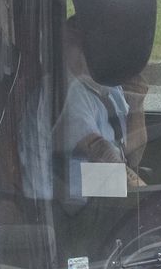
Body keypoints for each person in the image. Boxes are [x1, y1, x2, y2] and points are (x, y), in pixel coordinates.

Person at [53, 17, 148, 204]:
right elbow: (103, 153)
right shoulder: (69, 92)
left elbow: (133, 156)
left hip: (105, 196)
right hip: (74, 210)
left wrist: (137, 105)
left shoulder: (111, 89)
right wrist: (146, 197)